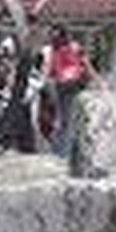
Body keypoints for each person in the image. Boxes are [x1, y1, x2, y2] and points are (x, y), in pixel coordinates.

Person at [41, 24, 91, 160]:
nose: (53, 39)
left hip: (64, 86)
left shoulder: (56, 50)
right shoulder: (73, 48)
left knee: (64, 120)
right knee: (67, 119)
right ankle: (65, 151)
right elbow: (86, 66)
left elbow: (50, 71)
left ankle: (62, 152)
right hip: (70, 86)